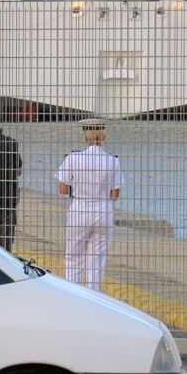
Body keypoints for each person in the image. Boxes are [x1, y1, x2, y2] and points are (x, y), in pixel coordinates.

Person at [56, 119, 124, 291]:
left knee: (74, 254)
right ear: (103, 137)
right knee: (97, 257)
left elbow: (63, 189)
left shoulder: (74, 158)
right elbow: (115, 195)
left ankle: (73, 292)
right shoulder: (113, 161)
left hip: (80, 208)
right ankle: (94, 294)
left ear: (86, 137)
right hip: (102, 209)